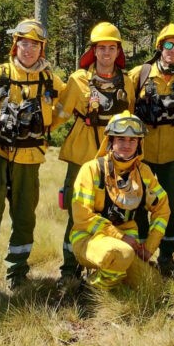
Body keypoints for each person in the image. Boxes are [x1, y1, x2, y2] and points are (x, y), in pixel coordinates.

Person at [0, 19, 66, 291]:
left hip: (30, 157)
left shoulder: (50, 79)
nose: (29, 49)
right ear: (16, 45)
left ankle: (17, 275)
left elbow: (66, 105)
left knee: (25, 218)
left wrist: (44, 125)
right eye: (24, 43)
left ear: (42, 49)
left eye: (35, 45)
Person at [55, 22, 136, 288]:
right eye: (101, 48)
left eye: (111, 48)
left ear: (118, 51)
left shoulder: (127, 81)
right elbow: (61, 114)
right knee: (77, 211)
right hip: (82, 154)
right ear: (94, 50)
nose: (106, 53)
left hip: (115, 159)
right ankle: (69, 268)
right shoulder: (78, 80)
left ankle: (106, 262)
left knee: (114, 211)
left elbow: (131, 118)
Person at [69, 111, 170, 290]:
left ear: (139, 143)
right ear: (110, 141)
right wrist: (120, 236)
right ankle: (90, 291)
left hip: (128, 243)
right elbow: (81, 216)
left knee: (152, 286)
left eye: (132, 140)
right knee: (120, 254)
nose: (127, 145)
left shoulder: (144, 173)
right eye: (121, 139)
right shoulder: (91, 170)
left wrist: (149, 247)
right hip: (89, 237)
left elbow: (162, 209)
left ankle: (112, 282)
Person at [128, 23, 174, 271]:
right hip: (141, 152)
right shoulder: (141, 73)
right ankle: (140, 253)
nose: (173, 49)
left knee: (171, 204)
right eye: (168, 44)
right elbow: (125, 105)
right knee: (137, 203)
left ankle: (168, 255)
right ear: (159, 47)